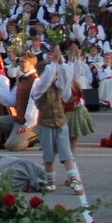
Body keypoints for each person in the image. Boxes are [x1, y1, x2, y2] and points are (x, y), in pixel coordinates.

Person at [30, 47, 85, 194]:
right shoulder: (38, 89)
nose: (54, 77)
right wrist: (54, 62)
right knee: (48, 155)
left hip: (60, 122)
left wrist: (61, 63)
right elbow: (46, 79)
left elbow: (66, 79)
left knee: (66, 152)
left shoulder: (58, 88)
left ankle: (74, 180)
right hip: (45, 124)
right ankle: (51, 182)